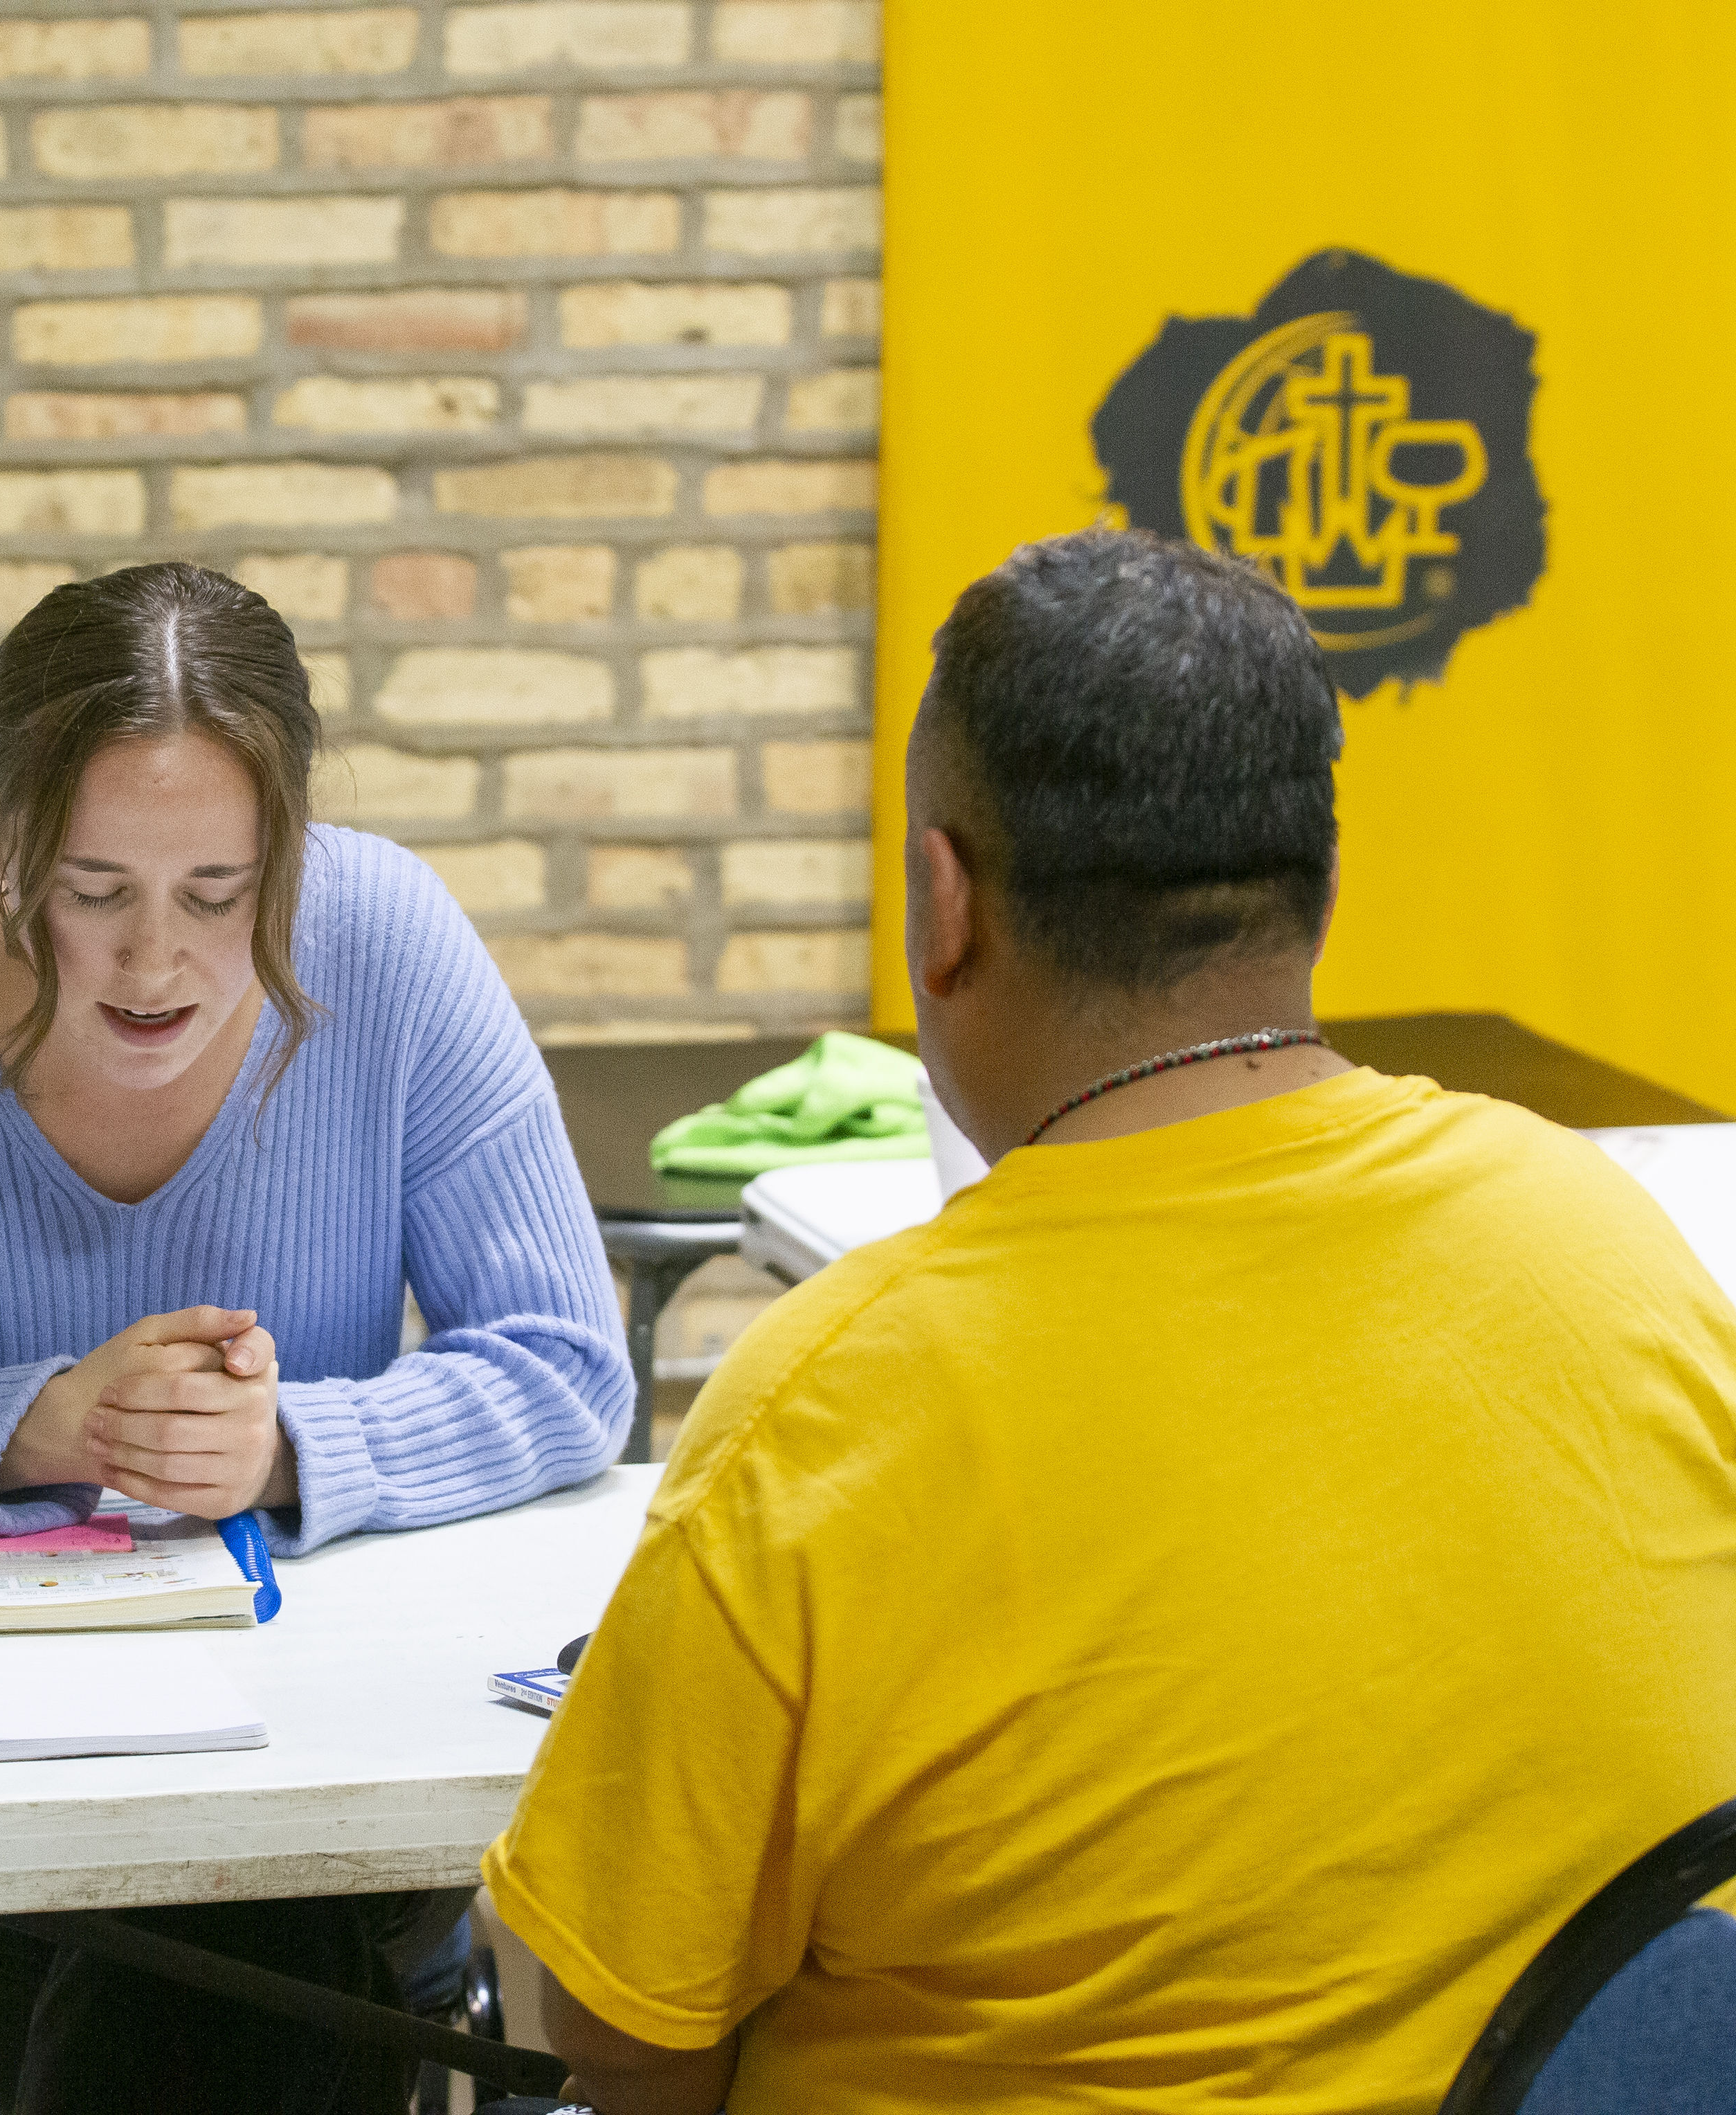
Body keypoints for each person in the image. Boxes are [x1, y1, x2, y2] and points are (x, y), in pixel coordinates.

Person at [485, 527, 1736, 2112]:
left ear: (943, 907)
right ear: (1323, 892)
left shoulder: (832, 1404)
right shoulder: (1616, 1255)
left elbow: (621, 2034)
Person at [0, 561, 631, 2110]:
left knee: (239, 1979)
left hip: (293, 1813)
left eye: (218, 894)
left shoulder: (383, 936)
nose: (154, 963)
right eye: (89, 889)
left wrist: (290, 1446)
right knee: (228, 2018)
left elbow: (565, 1361)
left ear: (292, 853)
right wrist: (16, 1427)